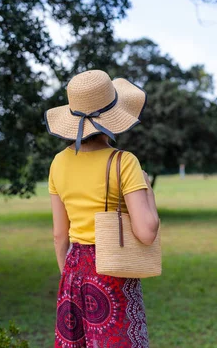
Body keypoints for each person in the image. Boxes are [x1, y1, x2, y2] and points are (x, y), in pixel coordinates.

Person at [45, 70, 160, 348]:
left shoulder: (58, 162)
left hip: (73, 272)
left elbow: (60, 235)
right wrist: (148, 189)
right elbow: (147, 231)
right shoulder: (124, 162)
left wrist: (69, 274)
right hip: (113, 271)